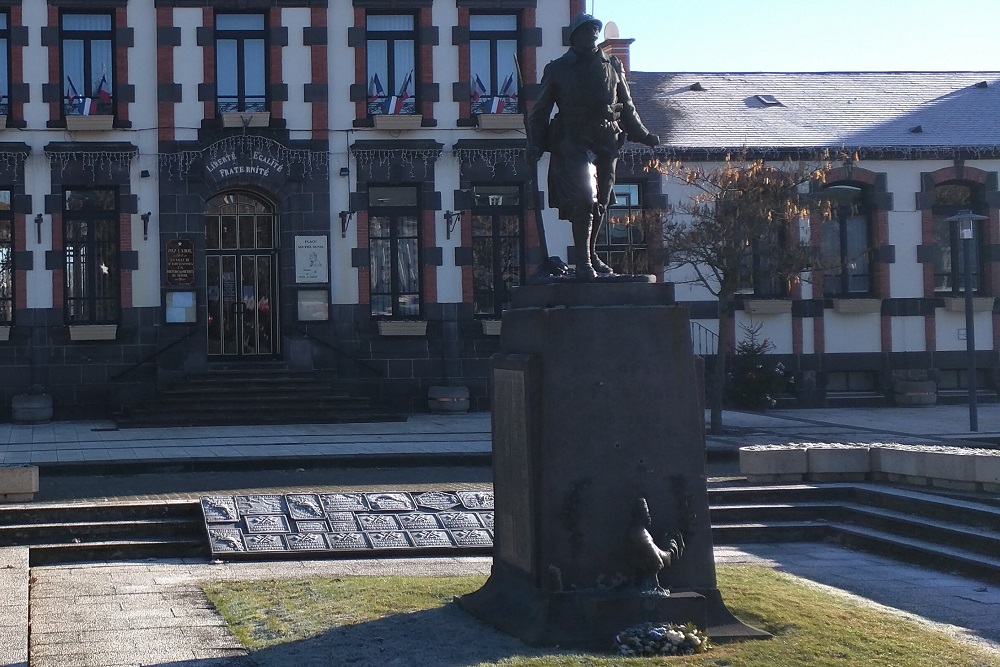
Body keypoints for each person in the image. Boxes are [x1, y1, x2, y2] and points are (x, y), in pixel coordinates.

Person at [527, 13, 659, 279]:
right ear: (574, 36)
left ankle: (592, 253)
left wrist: (643, 133)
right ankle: (583, 262)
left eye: (595, 31)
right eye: (587, 30)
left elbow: (626, 105)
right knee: (585, 198)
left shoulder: (612, 65)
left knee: (603, 201)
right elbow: (540, 110)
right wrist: (536, 143)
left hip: (606, 138)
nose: (593, 35)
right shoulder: (558, 68)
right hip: (573, 140)